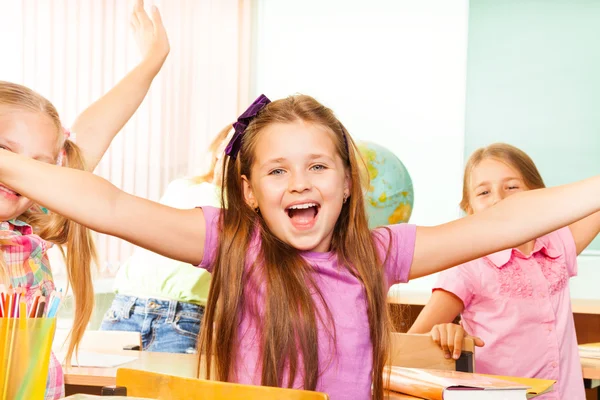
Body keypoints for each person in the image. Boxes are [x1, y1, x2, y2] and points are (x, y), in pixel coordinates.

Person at [0, 95, 599, 400]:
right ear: (250, 191)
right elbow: (110, 206)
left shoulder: (377, 252)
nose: (300, 183)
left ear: (345, 182)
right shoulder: (231, 242)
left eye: (317, 166)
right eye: (278, 171)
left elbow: (504, 223)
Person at [0, 0, 169, 397]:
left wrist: (152, 60)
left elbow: (93, 131)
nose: (21, 172)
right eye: (6, 152)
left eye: (39, 165)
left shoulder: (35, 218)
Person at [408, 143, 600, 399]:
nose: (499, 199)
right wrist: (446, 333)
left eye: (512, 187)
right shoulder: (467, 265)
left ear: (538, 196)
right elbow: (412, 345)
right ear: (469, 209)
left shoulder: (558, 245)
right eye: (484, 192)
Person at [99, 124, 231, 353]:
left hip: (183, 316)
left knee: (168, 389)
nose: (232, 151)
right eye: (229, 143)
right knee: (104, 386)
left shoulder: (247, 210)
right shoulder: (182, 186)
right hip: (125, 307)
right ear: (218, 149)